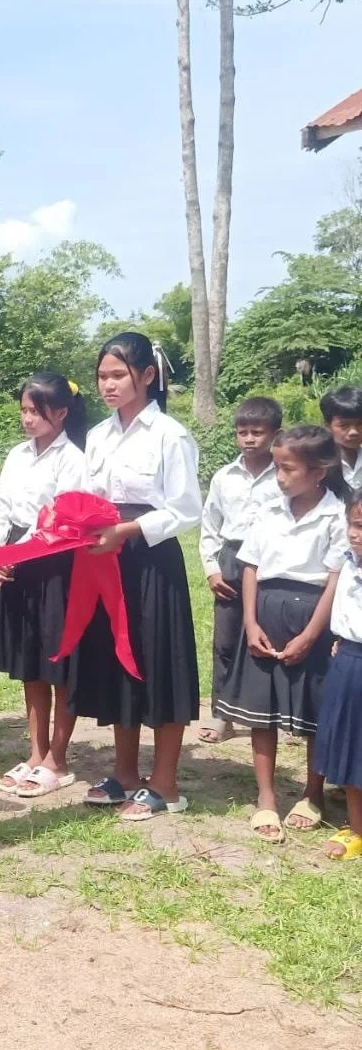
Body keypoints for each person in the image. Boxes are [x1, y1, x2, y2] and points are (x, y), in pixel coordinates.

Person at [75, 331, 202, 822]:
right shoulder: (97, 436)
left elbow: (186, 508)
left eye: (118, 375)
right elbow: (90, 497)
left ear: (147, 375)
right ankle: (125, 774)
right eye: (102, 376)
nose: (108, 385)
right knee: (119, 660)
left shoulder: (170, 434)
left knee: (160, 661)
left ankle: (166, 783)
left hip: (152, 561)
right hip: (107, 561)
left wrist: (127, 531)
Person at [214, 425, 347, 842]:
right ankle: (267, 796)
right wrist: (250, 622)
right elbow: (250, 566)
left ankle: (313, 792)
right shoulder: (269, 510)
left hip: (313, 617)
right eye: (276, 468)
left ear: (318, 472)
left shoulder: (337, 516)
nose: (279, 476)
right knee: (262, 710)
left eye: (288, 469)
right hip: (265, 613)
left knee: (314, 711)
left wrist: (311, 634)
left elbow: (335, 579)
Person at [0, 374, 87, 798]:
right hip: (15, 561)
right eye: (24, 410)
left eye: (36, 411)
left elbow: (59, 516)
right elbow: (0, 506)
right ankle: (36, 751)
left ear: (60, 413)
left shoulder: (73, 459)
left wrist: (17, 552)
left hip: (55, 563)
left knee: (57, 662)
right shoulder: (17, 455)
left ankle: (58, 759)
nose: (27, 419)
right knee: (30, 662)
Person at [197, 397, 282, 744]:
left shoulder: (284, 474)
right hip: (232, 559)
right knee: (227, 640)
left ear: (275, 434)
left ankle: (276, 713)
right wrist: (211, 569)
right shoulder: (224, 477)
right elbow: (210, 525)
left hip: (273, 562)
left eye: (257, 432)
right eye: (242, 432)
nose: (248, 439)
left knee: (271, 636)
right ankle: (222, 714)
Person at [313, 487, 362, 860]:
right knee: (349, 745)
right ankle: (356, 829)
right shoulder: (348, 561)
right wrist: (341, 639)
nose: (356, 534)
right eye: (354, 524)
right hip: (348, 661)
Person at [319, 384, 362, 492]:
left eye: (360, 424)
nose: (354, 432)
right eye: (344, 425)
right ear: (328, 426)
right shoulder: (320, 462)